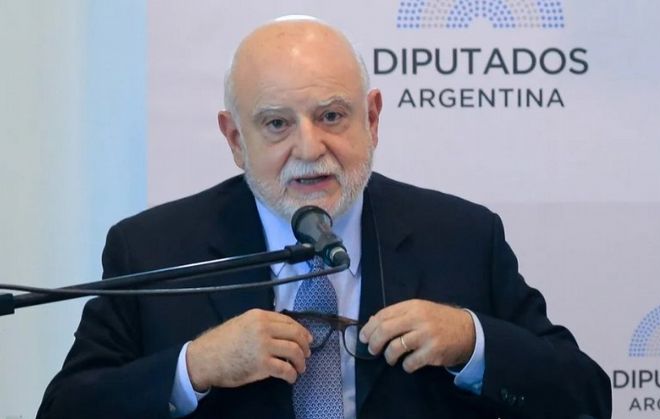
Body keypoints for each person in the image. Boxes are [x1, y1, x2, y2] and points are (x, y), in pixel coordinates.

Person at [37, 16, 611, 419]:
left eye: (332, 116)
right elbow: (66, 408)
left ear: (372, 119)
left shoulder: (461, 237)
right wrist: (195, 367)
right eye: (277, 124)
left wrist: (472, 341)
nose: (310, 149)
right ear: (235, 139)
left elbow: (585, 396)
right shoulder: (154, 248)